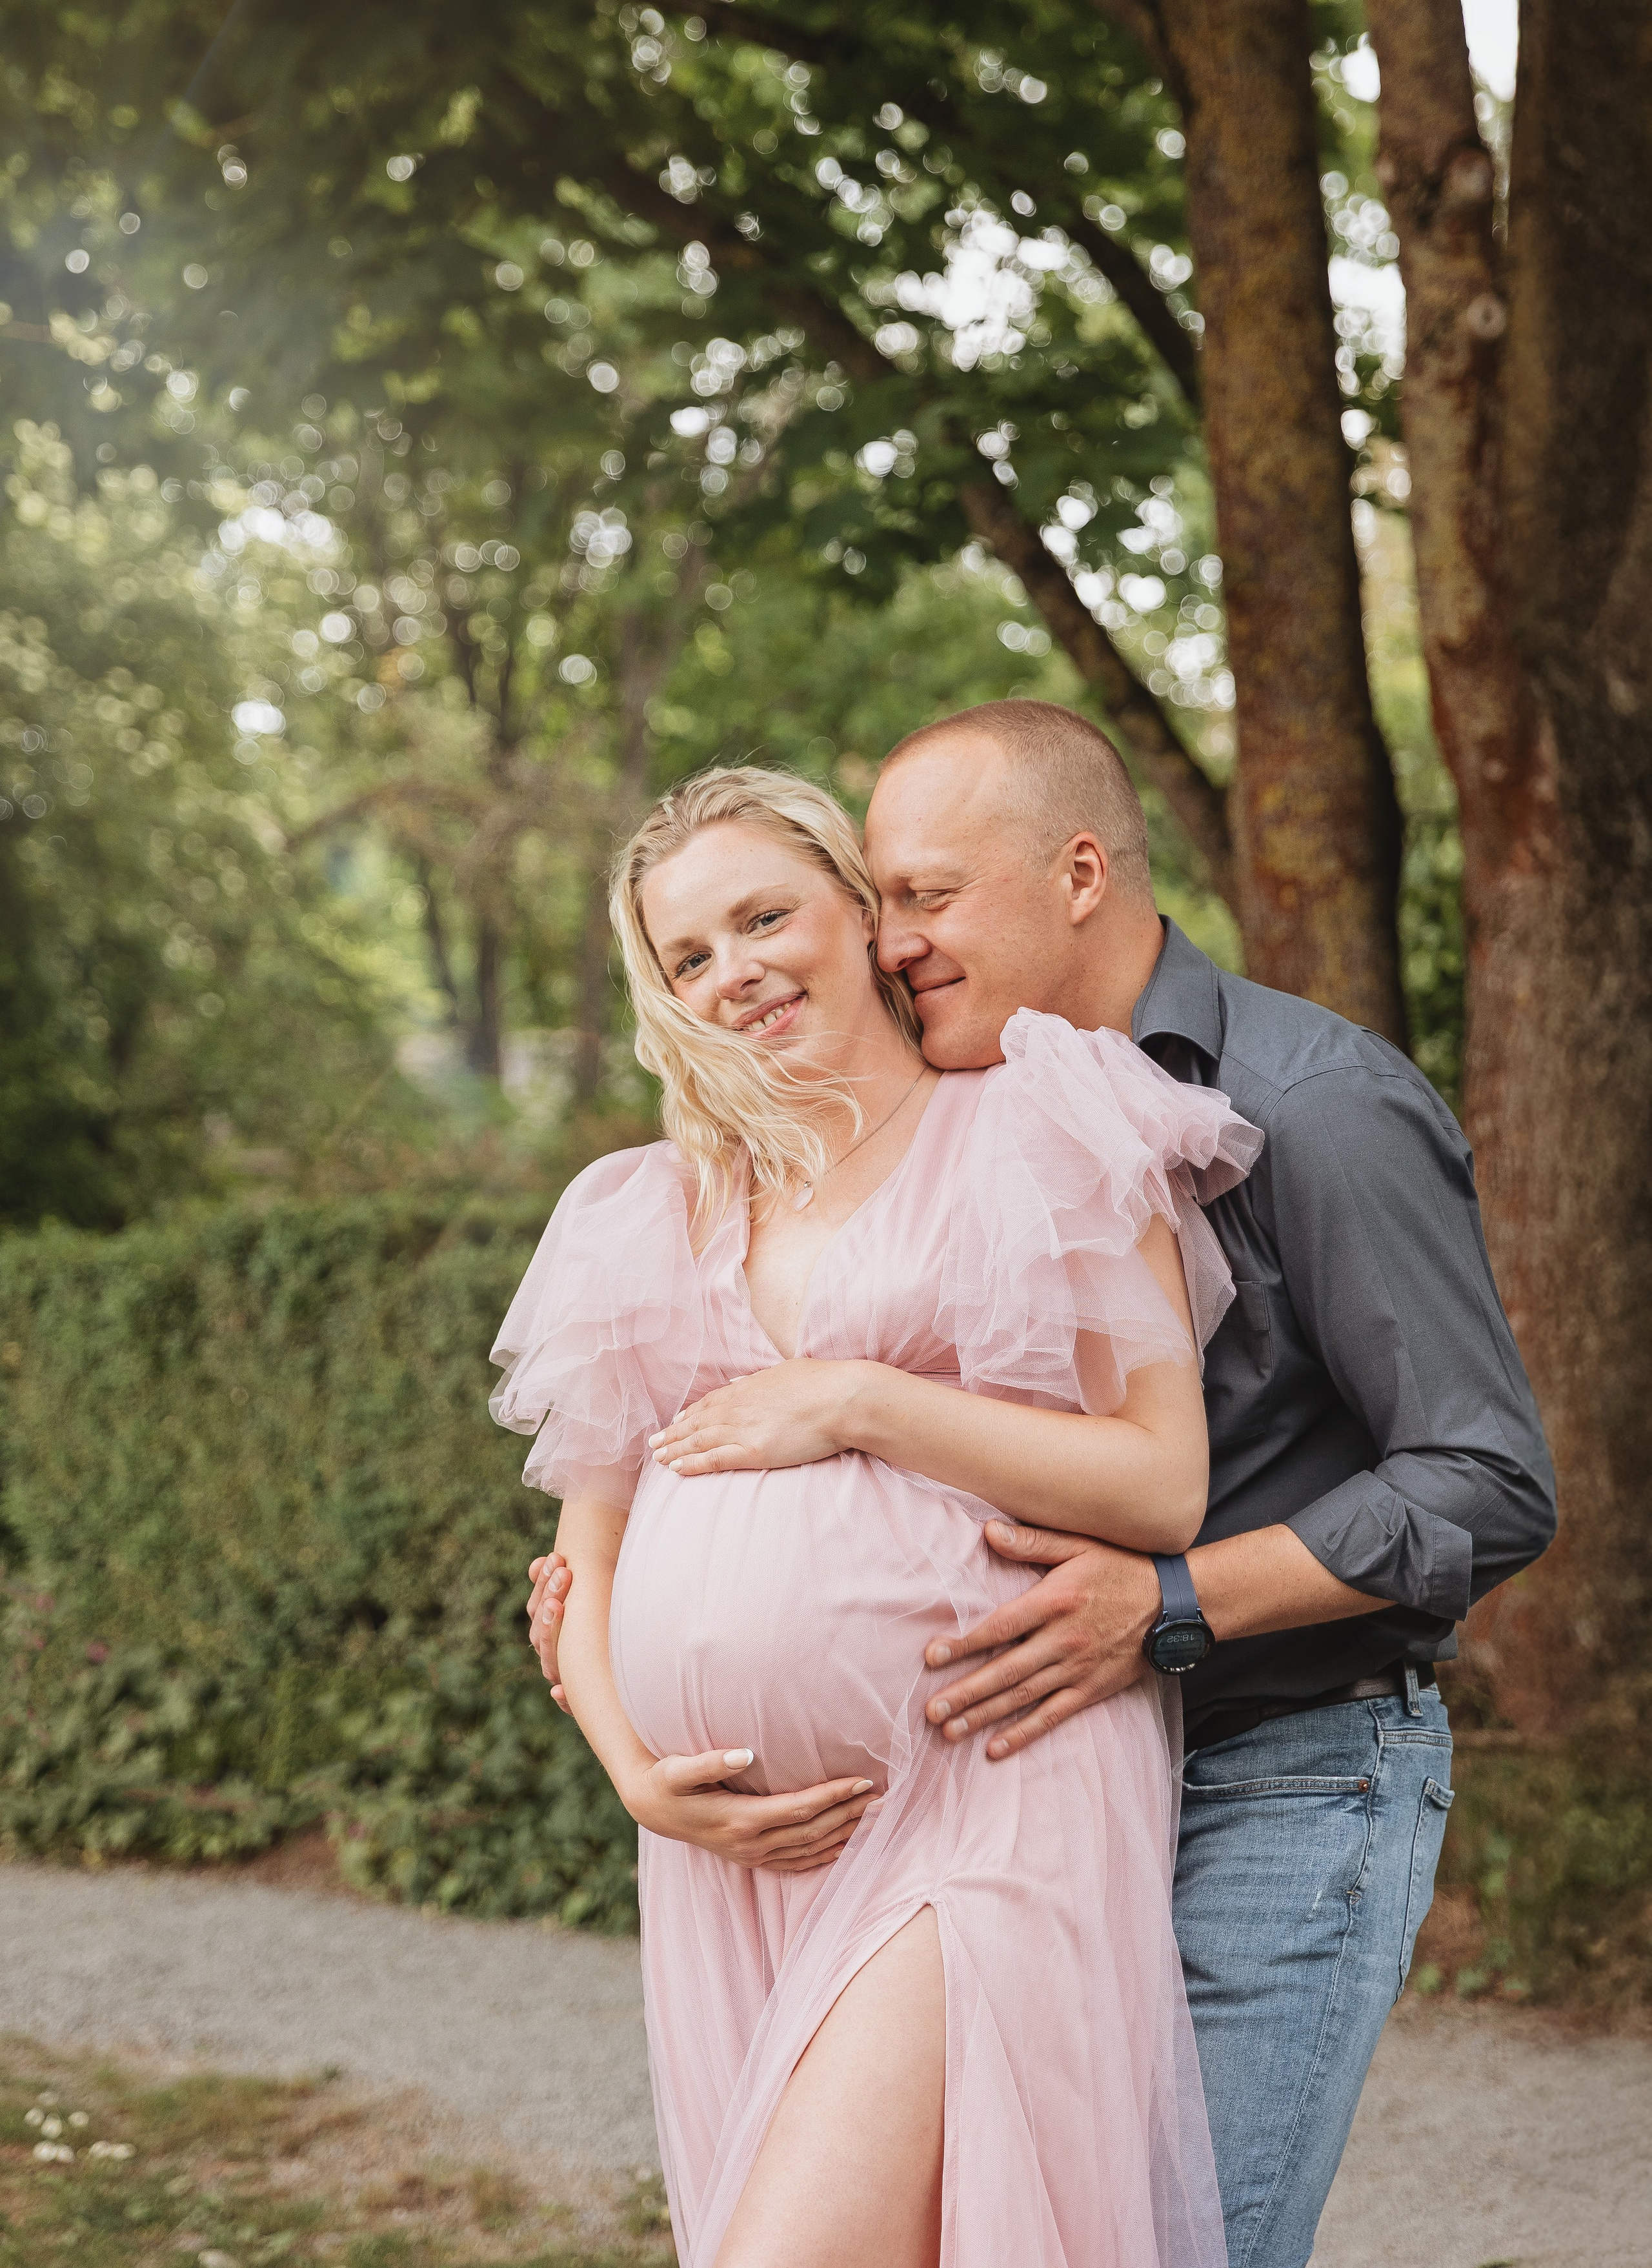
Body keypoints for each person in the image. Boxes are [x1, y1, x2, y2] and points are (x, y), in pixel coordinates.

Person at [527, 702, 1556, 2268]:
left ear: (1076, 874)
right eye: (882, 897)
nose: (898, 940)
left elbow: (1481, 1482)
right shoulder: (850, 1141)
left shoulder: (1306, 1099)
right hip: (996, 1754)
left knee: (1174, 2244)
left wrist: (1163, 1602)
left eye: (923, 897)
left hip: (1267, 1752)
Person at [496, 762, 1262, 2268]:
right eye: (686, 956)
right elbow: (586, 1563)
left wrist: (859, 1401)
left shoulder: (1035, 1125)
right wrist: (636, 1777)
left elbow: (1159, 1482)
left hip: (987, 1788)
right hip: (729, 1858)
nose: (732, 972)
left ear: (858, 911)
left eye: (760, 918)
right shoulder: (643, 1211)